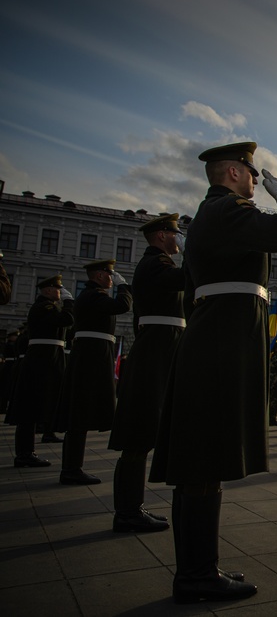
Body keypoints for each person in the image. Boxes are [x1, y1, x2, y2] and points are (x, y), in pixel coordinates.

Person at [149, 141, 277, 604]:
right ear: (235, 173)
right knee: (203, 459)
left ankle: (199, 568)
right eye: (254, 174)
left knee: (204, 459)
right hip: (220, 344)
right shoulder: (226, 209)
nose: (258, 180)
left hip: (217, 338)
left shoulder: (215, 216)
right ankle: (196, 575)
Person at [108, 214, 184, 532]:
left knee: (142, 434)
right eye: (175, 233)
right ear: (161, 235)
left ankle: (130, 508)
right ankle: (127, 512)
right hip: (155, 353)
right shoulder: (155, 264)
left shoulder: (156, 263)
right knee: (139, 433)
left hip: (159, 350)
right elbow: (183, 280)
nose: (178, 238)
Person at [57, 259, 132, 485]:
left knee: (80, 412)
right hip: (91, 356)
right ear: (99, 276)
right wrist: (124, 287)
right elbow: (122, 305)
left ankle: (72, 467)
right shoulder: (94, 296)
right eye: (109, 275)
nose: (111, 278)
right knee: (80, 413)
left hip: (91, 354)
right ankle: (71, 468)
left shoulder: (90, 296)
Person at [9, 275, 74, 467]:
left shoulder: (47, 307)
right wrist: (70, 302)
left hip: (44, 360)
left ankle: (29, 449)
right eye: (57, 289)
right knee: (30, 409)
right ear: (47, 291)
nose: (60, 293)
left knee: (36, 406)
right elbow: (67, 319)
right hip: (41, 362)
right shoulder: (44, 307)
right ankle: (24, 453)